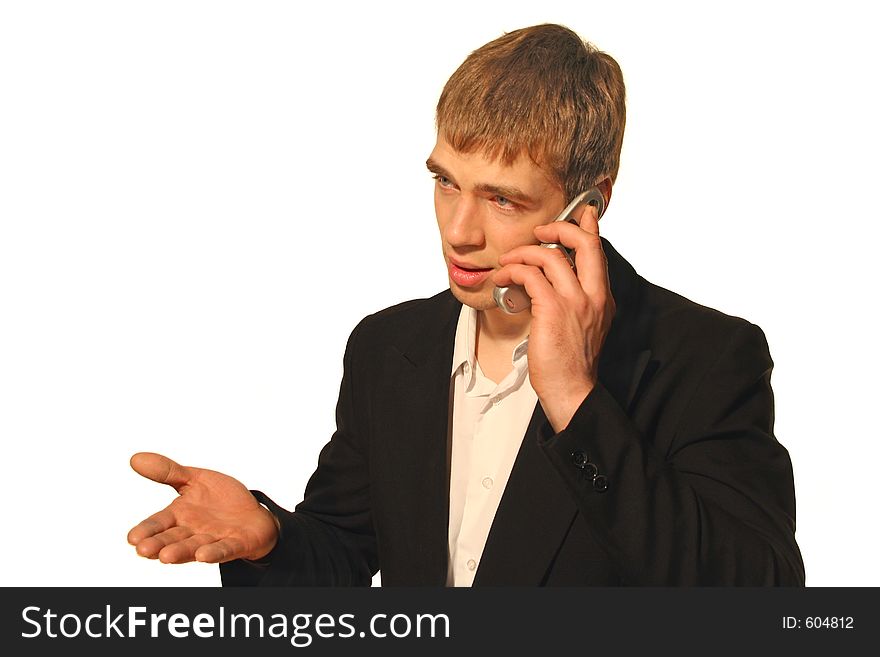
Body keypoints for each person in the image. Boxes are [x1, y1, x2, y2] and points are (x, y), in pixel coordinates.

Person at [127, 24, 805, 586]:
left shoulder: (705, 359)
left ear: (590, 202)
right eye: (446, 183)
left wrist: (576, 400)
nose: (459, 230)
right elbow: (342, 552)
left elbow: (759, 594)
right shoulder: (387, 349)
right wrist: (269, 538)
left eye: (501, 198)